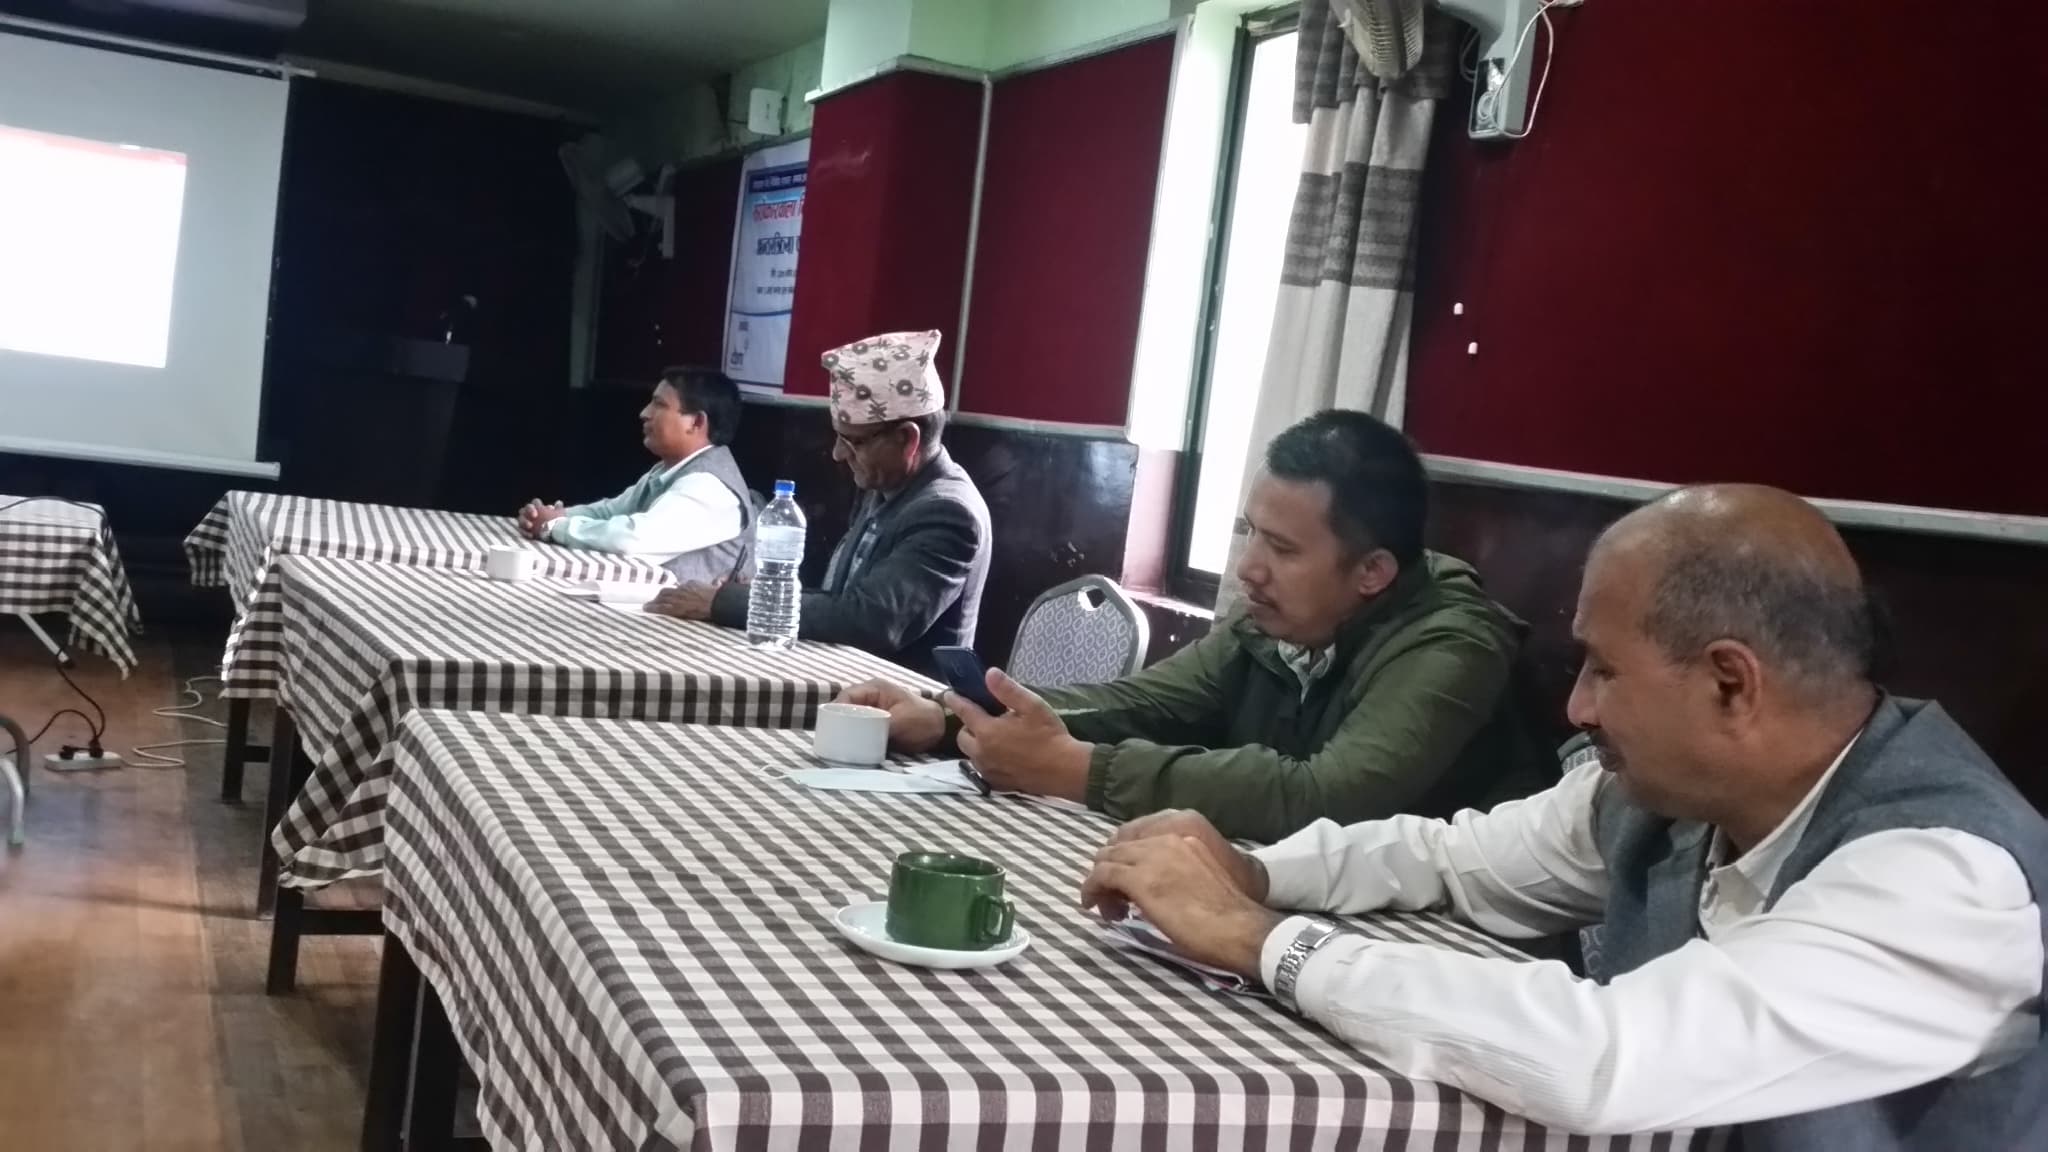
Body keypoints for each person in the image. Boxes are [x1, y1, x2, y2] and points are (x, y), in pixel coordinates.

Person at [1079, 484, 2047, 1146]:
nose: (1576, 706)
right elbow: (1452, 858)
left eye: (1603, 669)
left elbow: (1606, 1058)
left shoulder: (1946, 880)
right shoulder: (1661, 796)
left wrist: (1261, 940)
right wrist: (1255, 871)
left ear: (1729, 684)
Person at [843, 409, 1540, 844]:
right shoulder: (1275, 620)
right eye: (1249, 533)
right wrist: (951, 716)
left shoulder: (1454, 644)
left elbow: (1327, 796)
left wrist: (1082, 771)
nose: (1250, 569)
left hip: (1444, 942)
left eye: (1283, 549)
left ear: (1373, 572)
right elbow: (1143, 702)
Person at [648, 330, 991, 674]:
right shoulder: (887, 486)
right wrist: (756, 593)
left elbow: (871, 621)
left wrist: (727, 603)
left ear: (906, 439)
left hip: (907, 698)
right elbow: (842, 599)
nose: (839, 453)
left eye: (853, 441)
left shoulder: (948, 512)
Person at [519, 367, 754, 584]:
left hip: (683, 615)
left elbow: (632, 539)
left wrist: (555, 526)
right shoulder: (668, 469)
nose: (644, 413)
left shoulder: (710, 487)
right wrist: (556, 515)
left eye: (659, 405)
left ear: (697, 422)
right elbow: (611, 511)